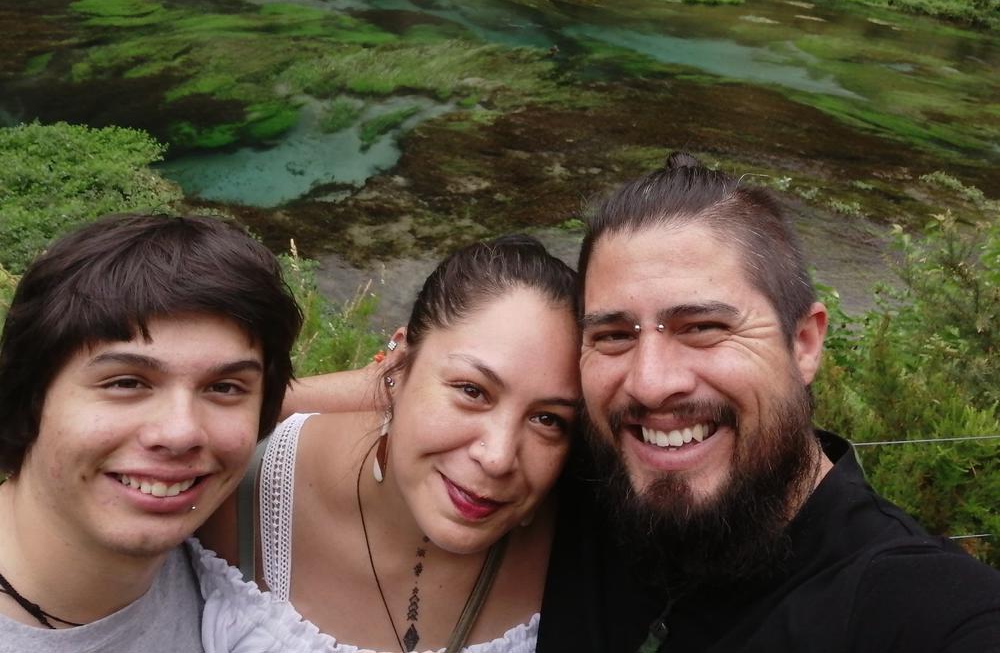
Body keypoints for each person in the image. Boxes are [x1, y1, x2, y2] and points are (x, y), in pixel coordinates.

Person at [535, 152, 1000, 652]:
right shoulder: (552, 487)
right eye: (614, 335)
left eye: (703, 327)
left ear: (803, 344)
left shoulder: (914, 607)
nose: (650, 384)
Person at [198, 235, 583, 652]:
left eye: (548, 419)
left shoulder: (594, 535)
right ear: (397, 366)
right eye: (472, 391)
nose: (498, 457)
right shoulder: (235, 486)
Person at [0, 214, 302, 653]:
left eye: (224, 388)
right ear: (30, 396)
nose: (180, 433)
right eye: (126, 383)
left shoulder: (228, 557)